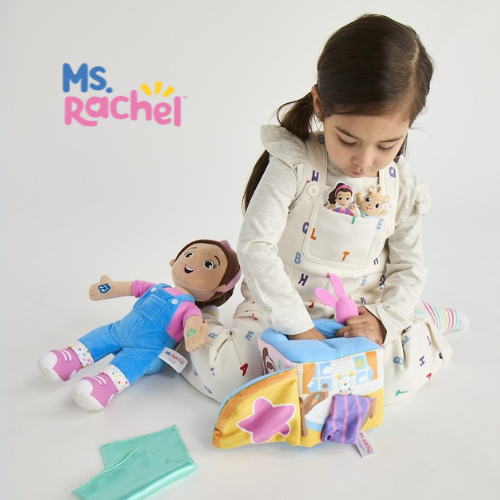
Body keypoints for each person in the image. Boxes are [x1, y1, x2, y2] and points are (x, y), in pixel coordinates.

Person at [178, 14, 468, 404]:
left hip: (360, 316)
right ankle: (191, 320)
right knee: (236, 383)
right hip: (281, 311)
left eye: (386, 145)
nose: (364, 160)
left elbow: (409, 265)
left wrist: (383, 321)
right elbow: (255, 246)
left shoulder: (403, 184)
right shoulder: (295, 164)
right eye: (347, 139)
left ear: (409, 123)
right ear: (319, 105)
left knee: (390, 379)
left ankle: (418, 317)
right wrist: (297, 328)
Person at [37, 239, 241, 410]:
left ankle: (105, 385)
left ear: (220, 287)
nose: (192, 262)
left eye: (209, 265)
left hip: (147, 350)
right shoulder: (157, 287)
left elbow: (192, 323)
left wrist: (194, 334)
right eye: (188, 254)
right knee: (100, 335)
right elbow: (131, 287)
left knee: (132, 362)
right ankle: (69, 358)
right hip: (119, 330)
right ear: (174, 261)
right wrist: (108, 288)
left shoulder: (190, 309)